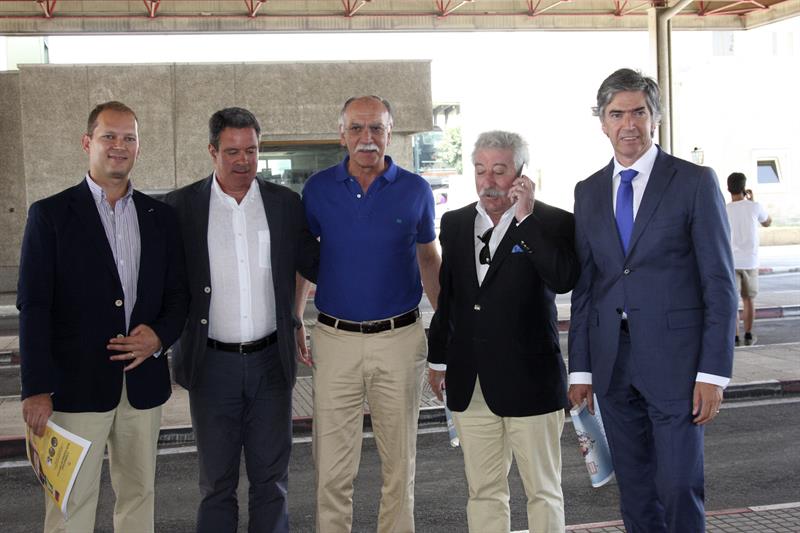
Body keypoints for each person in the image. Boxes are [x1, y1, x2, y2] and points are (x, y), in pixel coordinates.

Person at [568, 68, 737, 533]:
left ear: (655, 117)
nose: (628, 124)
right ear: (602, 122)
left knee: (679, 485)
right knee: (636, 491)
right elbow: (587, 287)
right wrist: (580, 370)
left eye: (638, 112)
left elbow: (719, 283)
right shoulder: (587, 192)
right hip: (611, 365)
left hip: (679, 368)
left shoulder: (694, 181)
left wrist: (714, 373)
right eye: (616, 113)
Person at [18, 101, 188, 533]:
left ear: (138, 147)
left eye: (129, 137)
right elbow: (33, 306)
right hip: (73, 391)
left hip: (141, 387)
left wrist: (160, 337)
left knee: (138, 496)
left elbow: (178, 295)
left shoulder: (161, 218)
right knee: (70, 503)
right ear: (87, 142)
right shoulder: (50, 215)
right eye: (109, 136)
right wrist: (36, 389)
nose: (119, 146)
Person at [164, 107, 319, 533]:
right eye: (232, 151)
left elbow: (313, 263)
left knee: (272, 481)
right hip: (212, 366)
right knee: (216, 483)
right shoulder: (180, 208)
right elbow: (166, 284)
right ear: (212, 151)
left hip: (271, 363)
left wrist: (298, 315)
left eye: (251, 150)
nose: (243, 161)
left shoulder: (285, 205)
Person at [295, 95, 441, 533]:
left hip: (399, 339)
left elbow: (429, 259)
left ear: (389, 132)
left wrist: (449, 329)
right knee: (332, 466)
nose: (366, 138)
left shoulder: (415, 189)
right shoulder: (318, 190)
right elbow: (305, 260)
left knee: (400, 463)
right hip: (335, 338)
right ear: (341, 134)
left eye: (376, 128)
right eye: (357, 128)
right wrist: (293, 319)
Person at [427, 131, 578, 533]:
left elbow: (563, 278)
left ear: (520, 174)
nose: (489, 180)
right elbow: (451, 297)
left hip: (532, 383)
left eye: (499, 169)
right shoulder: (456, 223)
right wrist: (438, 359)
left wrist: (525, 219)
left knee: (543, 491)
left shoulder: (553, 222)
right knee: (484, 491)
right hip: (470, 383)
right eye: (480, 170)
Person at [726, 172, 772, 346]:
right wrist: (753, 200)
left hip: (731, 262)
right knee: (749, 300)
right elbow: (768, 222)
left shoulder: (725, 209)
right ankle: (748, 334)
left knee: (733, 301)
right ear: (744, 188)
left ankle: (735, 336)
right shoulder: (754, 206)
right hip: (751, 262)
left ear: (729, 188)